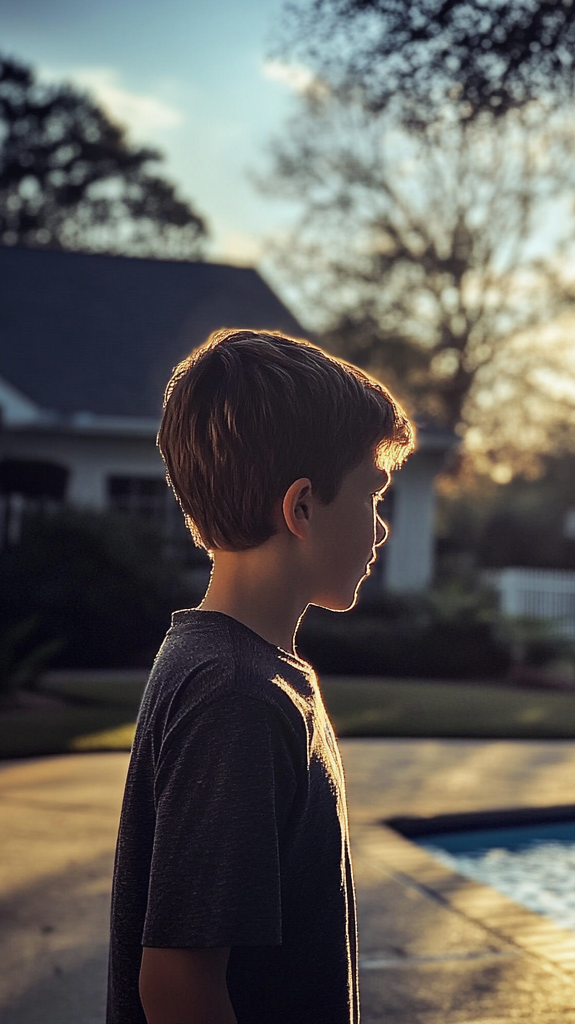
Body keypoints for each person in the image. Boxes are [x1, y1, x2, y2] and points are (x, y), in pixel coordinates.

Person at [107, 329, 414, 1024]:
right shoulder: (237, 696)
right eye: (374, 495)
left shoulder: (249, 671)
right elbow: (178, 987)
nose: (382, 529)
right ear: (302, 507)